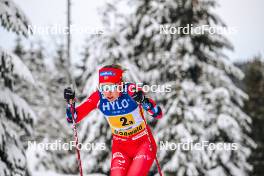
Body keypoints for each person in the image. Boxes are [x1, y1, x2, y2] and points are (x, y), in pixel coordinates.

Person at [64, 64, 162, 176]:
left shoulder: (130, 90)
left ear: (120, 85)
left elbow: (157, 114)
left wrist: (144, 101)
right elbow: (73, 118)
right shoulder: (99, 97)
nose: (107, 93)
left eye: (112, 87)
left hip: (143, 144)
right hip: (120, 148)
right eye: (104, 88)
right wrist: (70, 103)